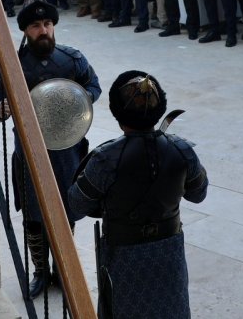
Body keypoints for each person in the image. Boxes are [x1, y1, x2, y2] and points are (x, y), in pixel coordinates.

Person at [0, 0, 101, 298]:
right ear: (25, 31)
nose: (44, 30)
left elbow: (93, 86)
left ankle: (64, 268)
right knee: (34, 215)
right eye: (36, 26)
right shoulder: (12, 65)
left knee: (66, 210)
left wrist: (76, 99)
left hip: (67, 152)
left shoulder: (72, 59)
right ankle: (40, 270)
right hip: (30, 153)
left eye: (47, 24)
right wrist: (2, 108)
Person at [70, 72, 208, 319]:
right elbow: (199, 193)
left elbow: (76, 205)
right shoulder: (182, 149)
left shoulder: (104, 159)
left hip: (124, 257)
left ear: (116, 112)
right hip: (168, 257)